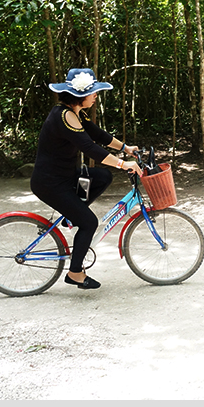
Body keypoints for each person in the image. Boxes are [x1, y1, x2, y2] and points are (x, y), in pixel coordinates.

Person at [30, 68, 142, 289]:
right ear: (80, 95)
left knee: (102, 176)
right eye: (93, 93)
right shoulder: (64, 117)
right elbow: (90, 148)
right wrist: (123, 163)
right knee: (89, 222)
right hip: (50, 183)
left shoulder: (74, 112)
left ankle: (71, 216)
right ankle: (75, 273)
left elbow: (97, 134)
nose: (95, 96)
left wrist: (126, 148)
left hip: (66, 176)